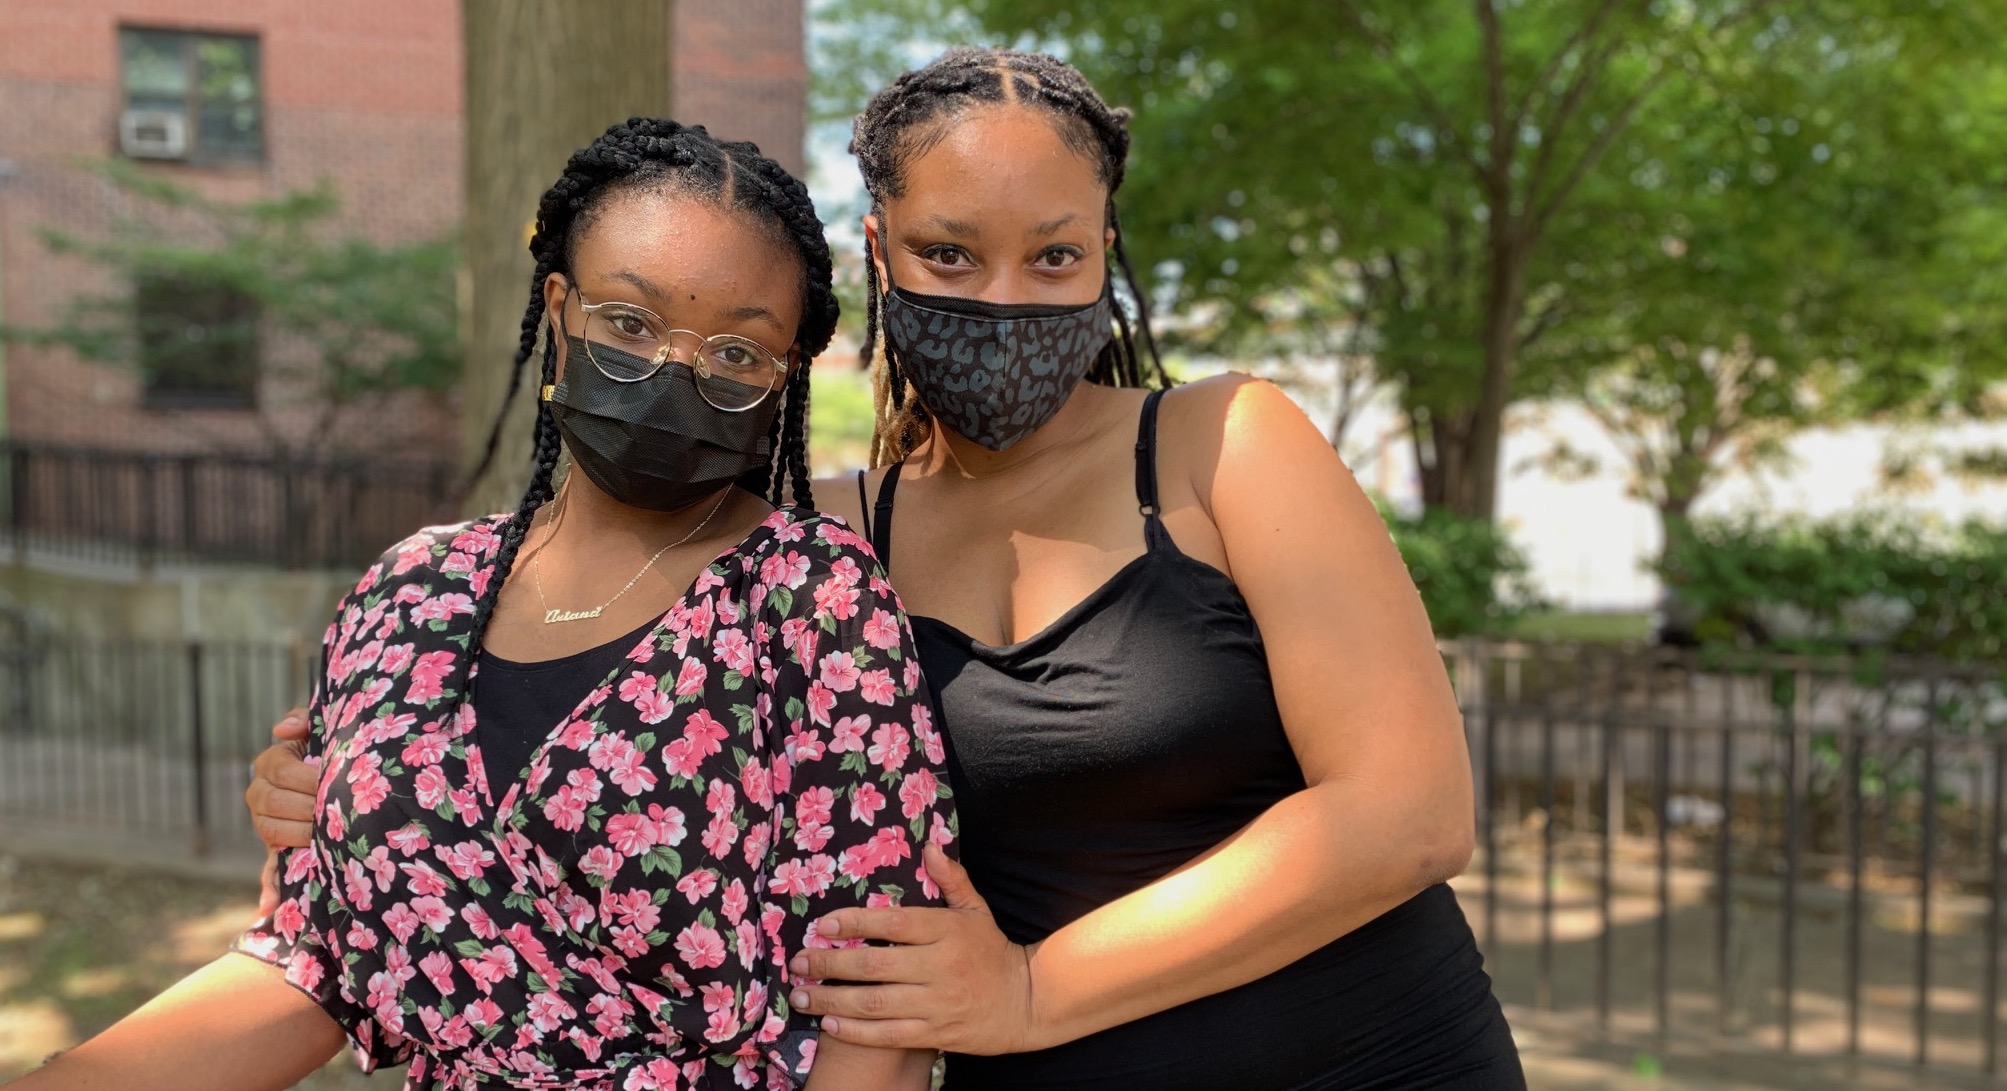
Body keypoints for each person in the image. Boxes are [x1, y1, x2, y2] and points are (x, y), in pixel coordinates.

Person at [249, 49, 1524, 1090]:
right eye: (952, 255)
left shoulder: (1225, 444)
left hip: (1383, 1061)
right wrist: (344, 788)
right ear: (877, 255)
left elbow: (1408, 812)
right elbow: (598, 745)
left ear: (1106, 251)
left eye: (1057, 256)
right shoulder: (831, 541)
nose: (1008, 298)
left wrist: (1033, 988)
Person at [14, 119, 952, 1091]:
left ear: (786, 373)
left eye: (737, 351)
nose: (678, 370)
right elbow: (311, 958)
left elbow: (876, 1014)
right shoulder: (410, 592)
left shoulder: (813, 601)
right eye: (628, 322)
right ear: (559, 308)